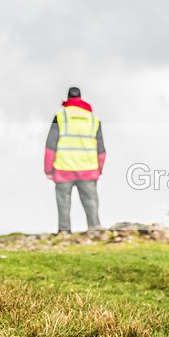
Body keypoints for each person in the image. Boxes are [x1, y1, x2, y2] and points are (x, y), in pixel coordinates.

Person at [44, 87, 106, 233]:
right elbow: (101, 149)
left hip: (63, 169)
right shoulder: (93, 119)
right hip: (88, 169)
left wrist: (48, 169)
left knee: (63, 203)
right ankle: (95, 230)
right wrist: (99, 169)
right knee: (91, 202)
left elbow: (50, 146)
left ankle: (64, 232)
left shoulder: (60, 117)